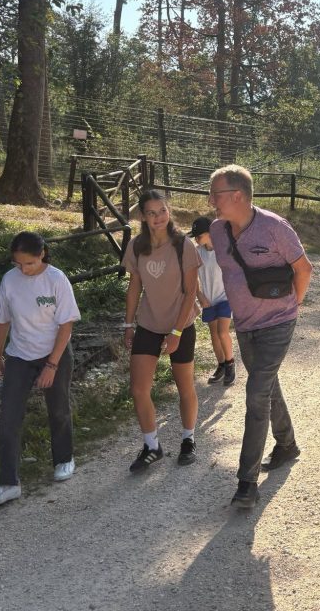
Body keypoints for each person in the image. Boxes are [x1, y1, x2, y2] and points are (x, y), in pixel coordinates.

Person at [208, 165, 313, 509]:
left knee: (256, 395)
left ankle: (247, 482)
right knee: (266, 386)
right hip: (244, 325)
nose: (210, 201)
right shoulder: (217, 231)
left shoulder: (274, 227)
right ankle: (287, 444)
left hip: (278, 323)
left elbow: (303, 269)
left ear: (237, 195)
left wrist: (293, 305)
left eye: (216, 194)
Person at [0, 232, 81, 506]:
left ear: (42, 254)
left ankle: (64, 459)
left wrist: (51, 365)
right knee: (8, 418)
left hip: (55, 353)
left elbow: (66, 326)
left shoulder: (57, 280)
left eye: (29, 263)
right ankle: (8, 483)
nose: (23, 270)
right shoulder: (9, 280)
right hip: (19, 355)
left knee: (58, 408)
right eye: (18, 264)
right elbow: (2, 321)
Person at [122, 189, 201, 470]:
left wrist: (176, 333)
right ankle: (152, 446)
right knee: (138, 389)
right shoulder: (136, 246)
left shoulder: (183, 245)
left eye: (163, 211)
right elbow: (134, 287)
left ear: (169, 211)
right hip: (148, 324)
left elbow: (191, 292)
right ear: (143, 216)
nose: (158, 217)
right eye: (152, 213)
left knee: (184, 386)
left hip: (181, 324)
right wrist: (128, 324)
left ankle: (188, 439)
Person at [189, 216, 235, 386]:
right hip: (208, 300)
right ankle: (221, 365)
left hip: (225, 298)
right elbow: (192, 278)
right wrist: (199, 296)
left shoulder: (224, 250)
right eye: (194, 236)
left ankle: (230, 364)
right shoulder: (197, 252)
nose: (196, 239)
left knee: (222, 332)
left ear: (211, 233)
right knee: (214, 335)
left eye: (199, 236)